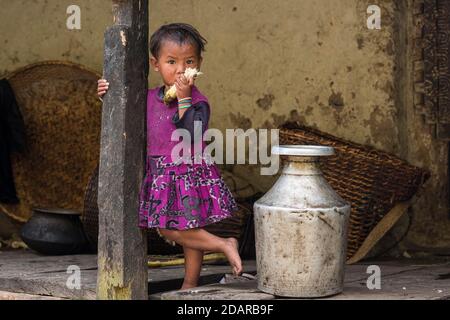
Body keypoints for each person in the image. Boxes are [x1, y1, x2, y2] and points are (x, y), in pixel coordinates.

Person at [97, 23, 243, 290]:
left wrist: (184, 98)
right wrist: (108, 93)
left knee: (185, 227)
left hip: (188, 173)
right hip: (162, 173)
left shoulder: (198, 101)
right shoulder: (148, 97)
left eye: (188, 62)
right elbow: (123, 115)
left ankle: (189, 284)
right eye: (171, 61)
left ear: (199, 63)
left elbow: (192, 132)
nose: (180, 69)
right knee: (171, 228)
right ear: (156, 63)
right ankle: (223, 244)